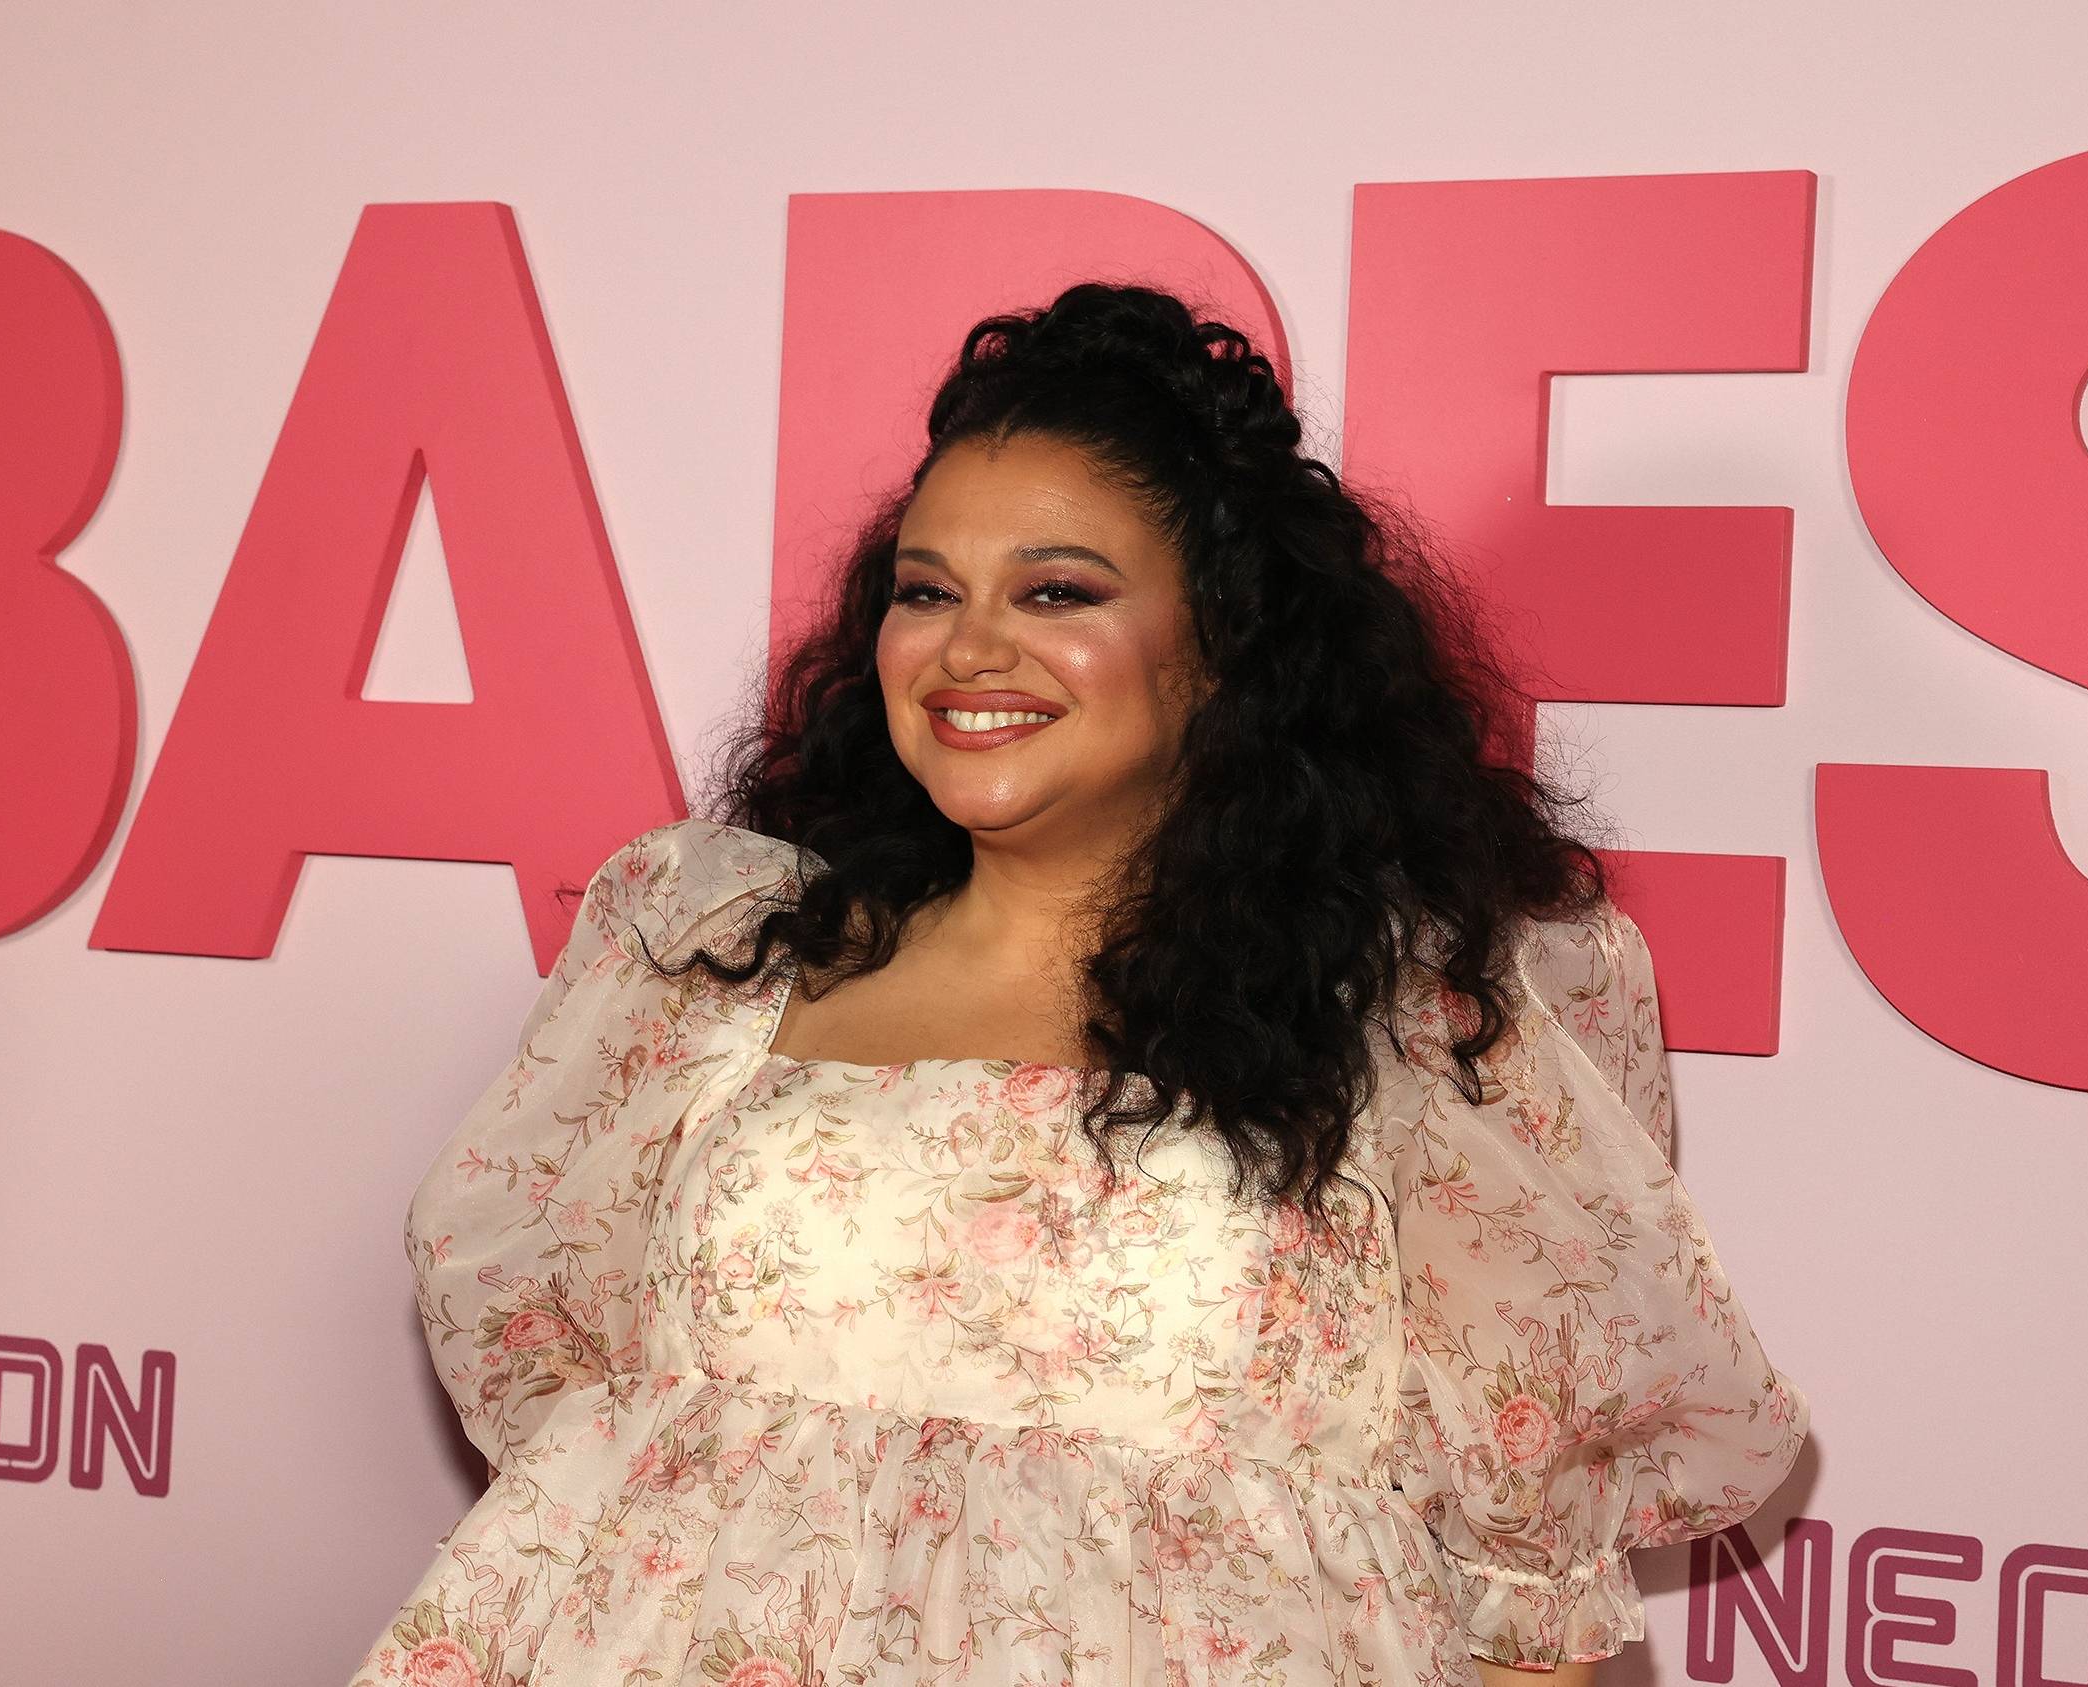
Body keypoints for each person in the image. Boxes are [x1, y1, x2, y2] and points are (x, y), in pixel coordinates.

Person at [349, 282, 1809, 1687]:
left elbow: (1529, 1586)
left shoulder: (1417, 1020)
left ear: (1225, 644)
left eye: (1057, 591)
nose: (971, 649)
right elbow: (583, 1460)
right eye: (927, 591)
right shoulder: (713, 959)